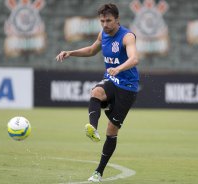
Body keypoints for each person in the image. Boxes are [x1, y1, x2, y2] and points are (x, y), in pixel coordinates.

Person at [56, 3, 139, 182]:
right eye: (102, 21)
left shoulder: (127, 36)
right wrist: (71, 52)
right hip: (111, 81)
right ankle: (92, 128)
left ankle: (98, 172)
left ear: (117, 20)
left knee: (111, 130)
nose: (105, 24)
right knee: (96, 92)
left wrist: (118, 68)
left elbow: (134, 58)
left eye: (108, 20)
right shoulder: (103, 34)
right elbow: (92, 50)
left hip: (128, 87)